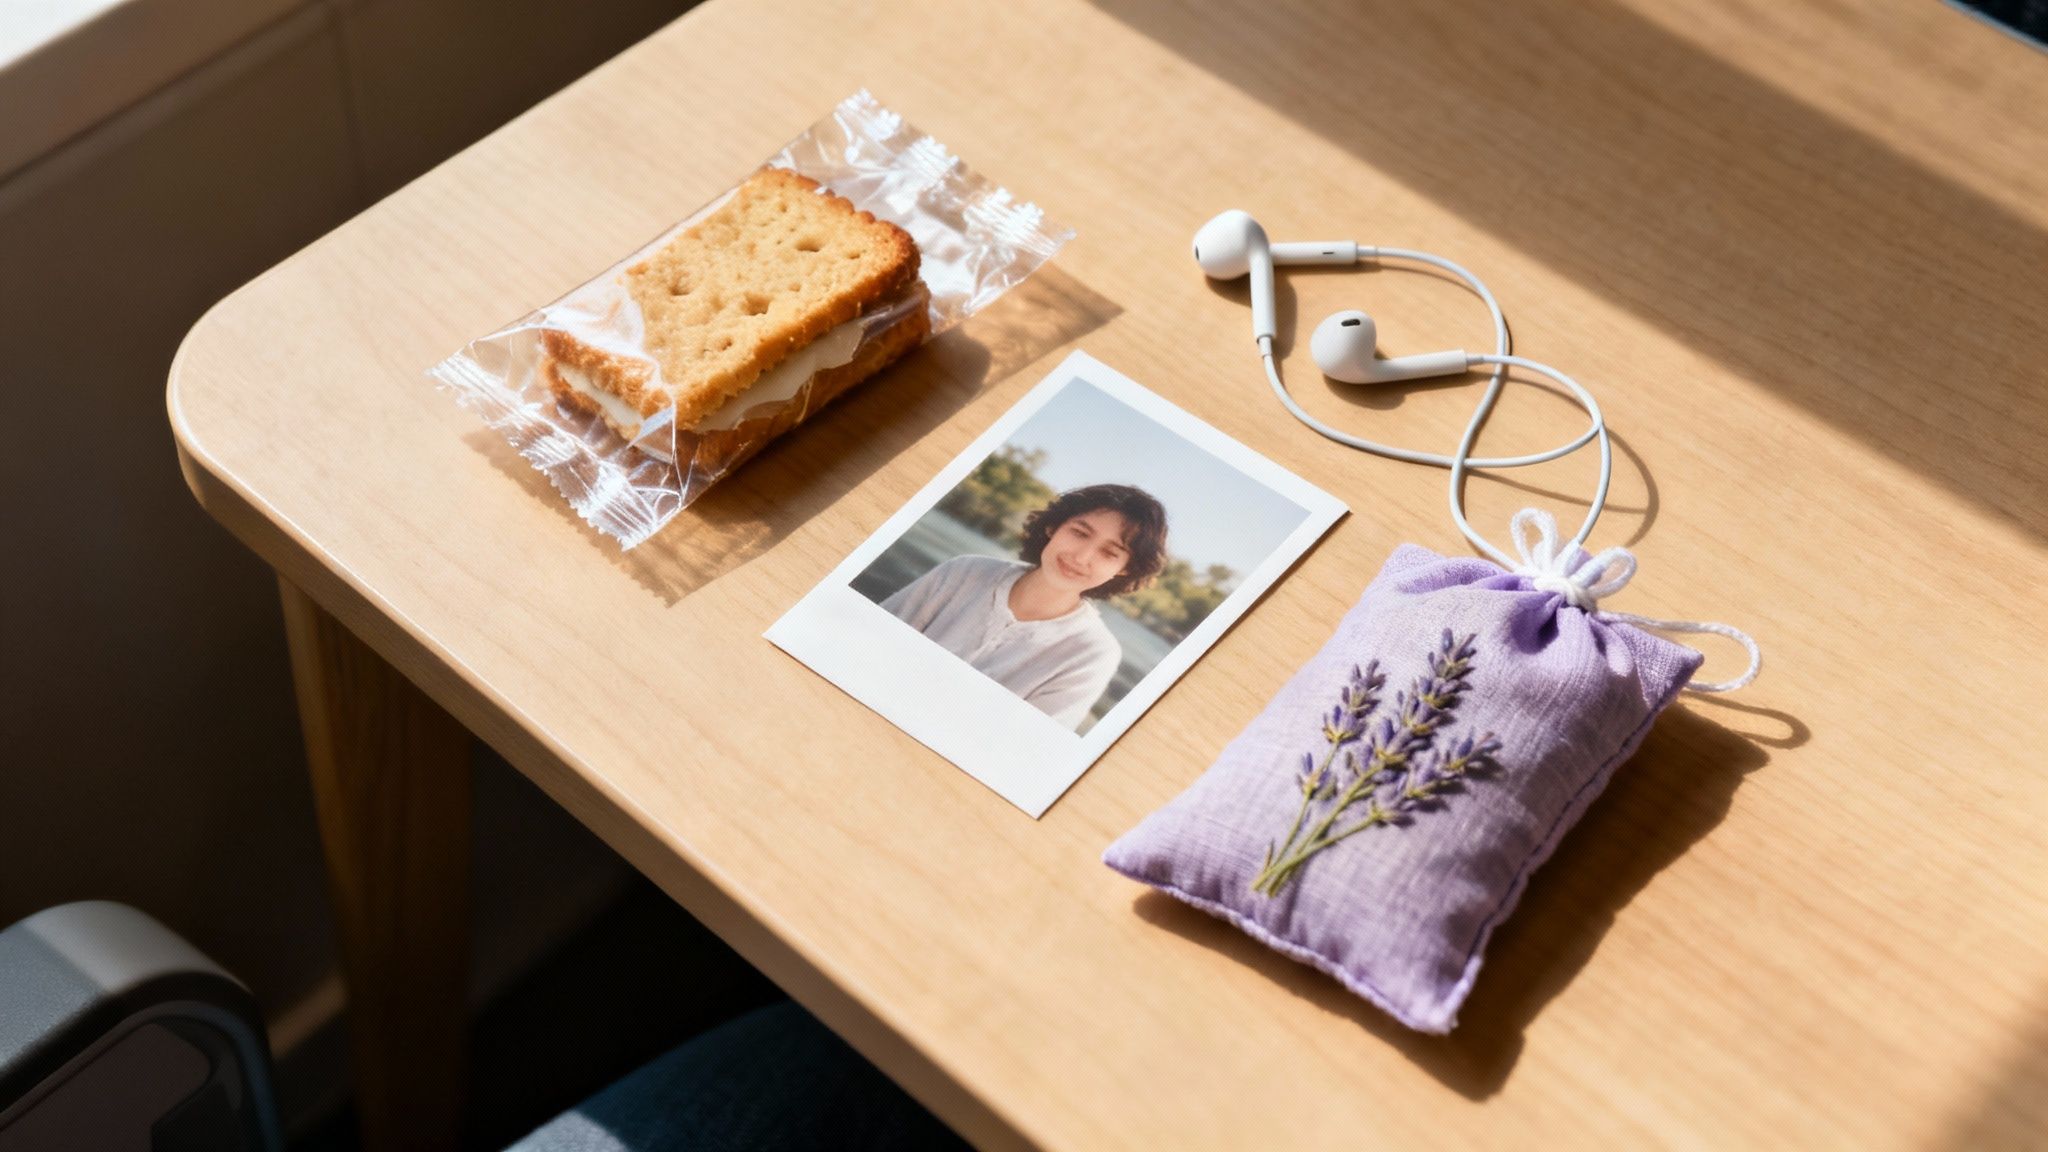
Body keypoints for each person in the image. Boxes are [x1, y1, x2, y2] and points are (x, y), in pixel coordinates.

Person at [881, 484, 1168, 729]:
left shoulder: (1093, 655)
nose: (1082, 557)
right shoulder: (965, 571)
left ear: (1124, 569)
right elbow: (866, 636)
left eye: (1109, 552)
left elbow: (1017, 750)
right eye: (1080, 533)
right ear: (1053, 526)